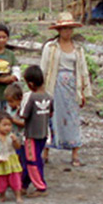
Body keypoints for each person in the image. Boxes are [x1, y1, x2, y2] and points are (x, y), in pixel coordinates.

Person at [40, 12, 93, 167]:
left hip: (72, 87)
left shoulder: (78, 49)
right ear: (58, 30)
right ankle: (45, 153)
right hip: (54, 86)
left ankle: (75, 153)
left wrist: (84, 92)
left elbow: (83, 71)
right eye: (64, 29)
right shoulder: (50, 47)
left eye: (69, 29)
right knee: (50, 118)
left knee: (73, 119)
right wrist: (40, 90)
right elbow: (43, 69)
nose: (67, 32)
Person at [19, 65, 53, 198]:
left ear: (31, 84)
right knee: (33, 158)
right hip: (43, 134)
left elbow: (24, 115)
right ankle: (24, 185)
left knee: (32, 161)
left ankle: (40, 186)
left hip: (31, 135)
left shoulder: (31, 98)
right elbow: (51, 113)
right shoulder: (49, 97)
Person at [0, 111, 23, 203]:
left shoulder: (12, 136)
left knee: (15, 178)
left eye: (9, 125)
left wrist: (15, 141)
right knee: (1, 180)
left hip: (11, 160)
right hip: (0, 160)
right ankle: (2, 195)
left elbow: (17, 147)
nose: (7, 128)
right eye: (4, 125)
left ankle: (18, 195)